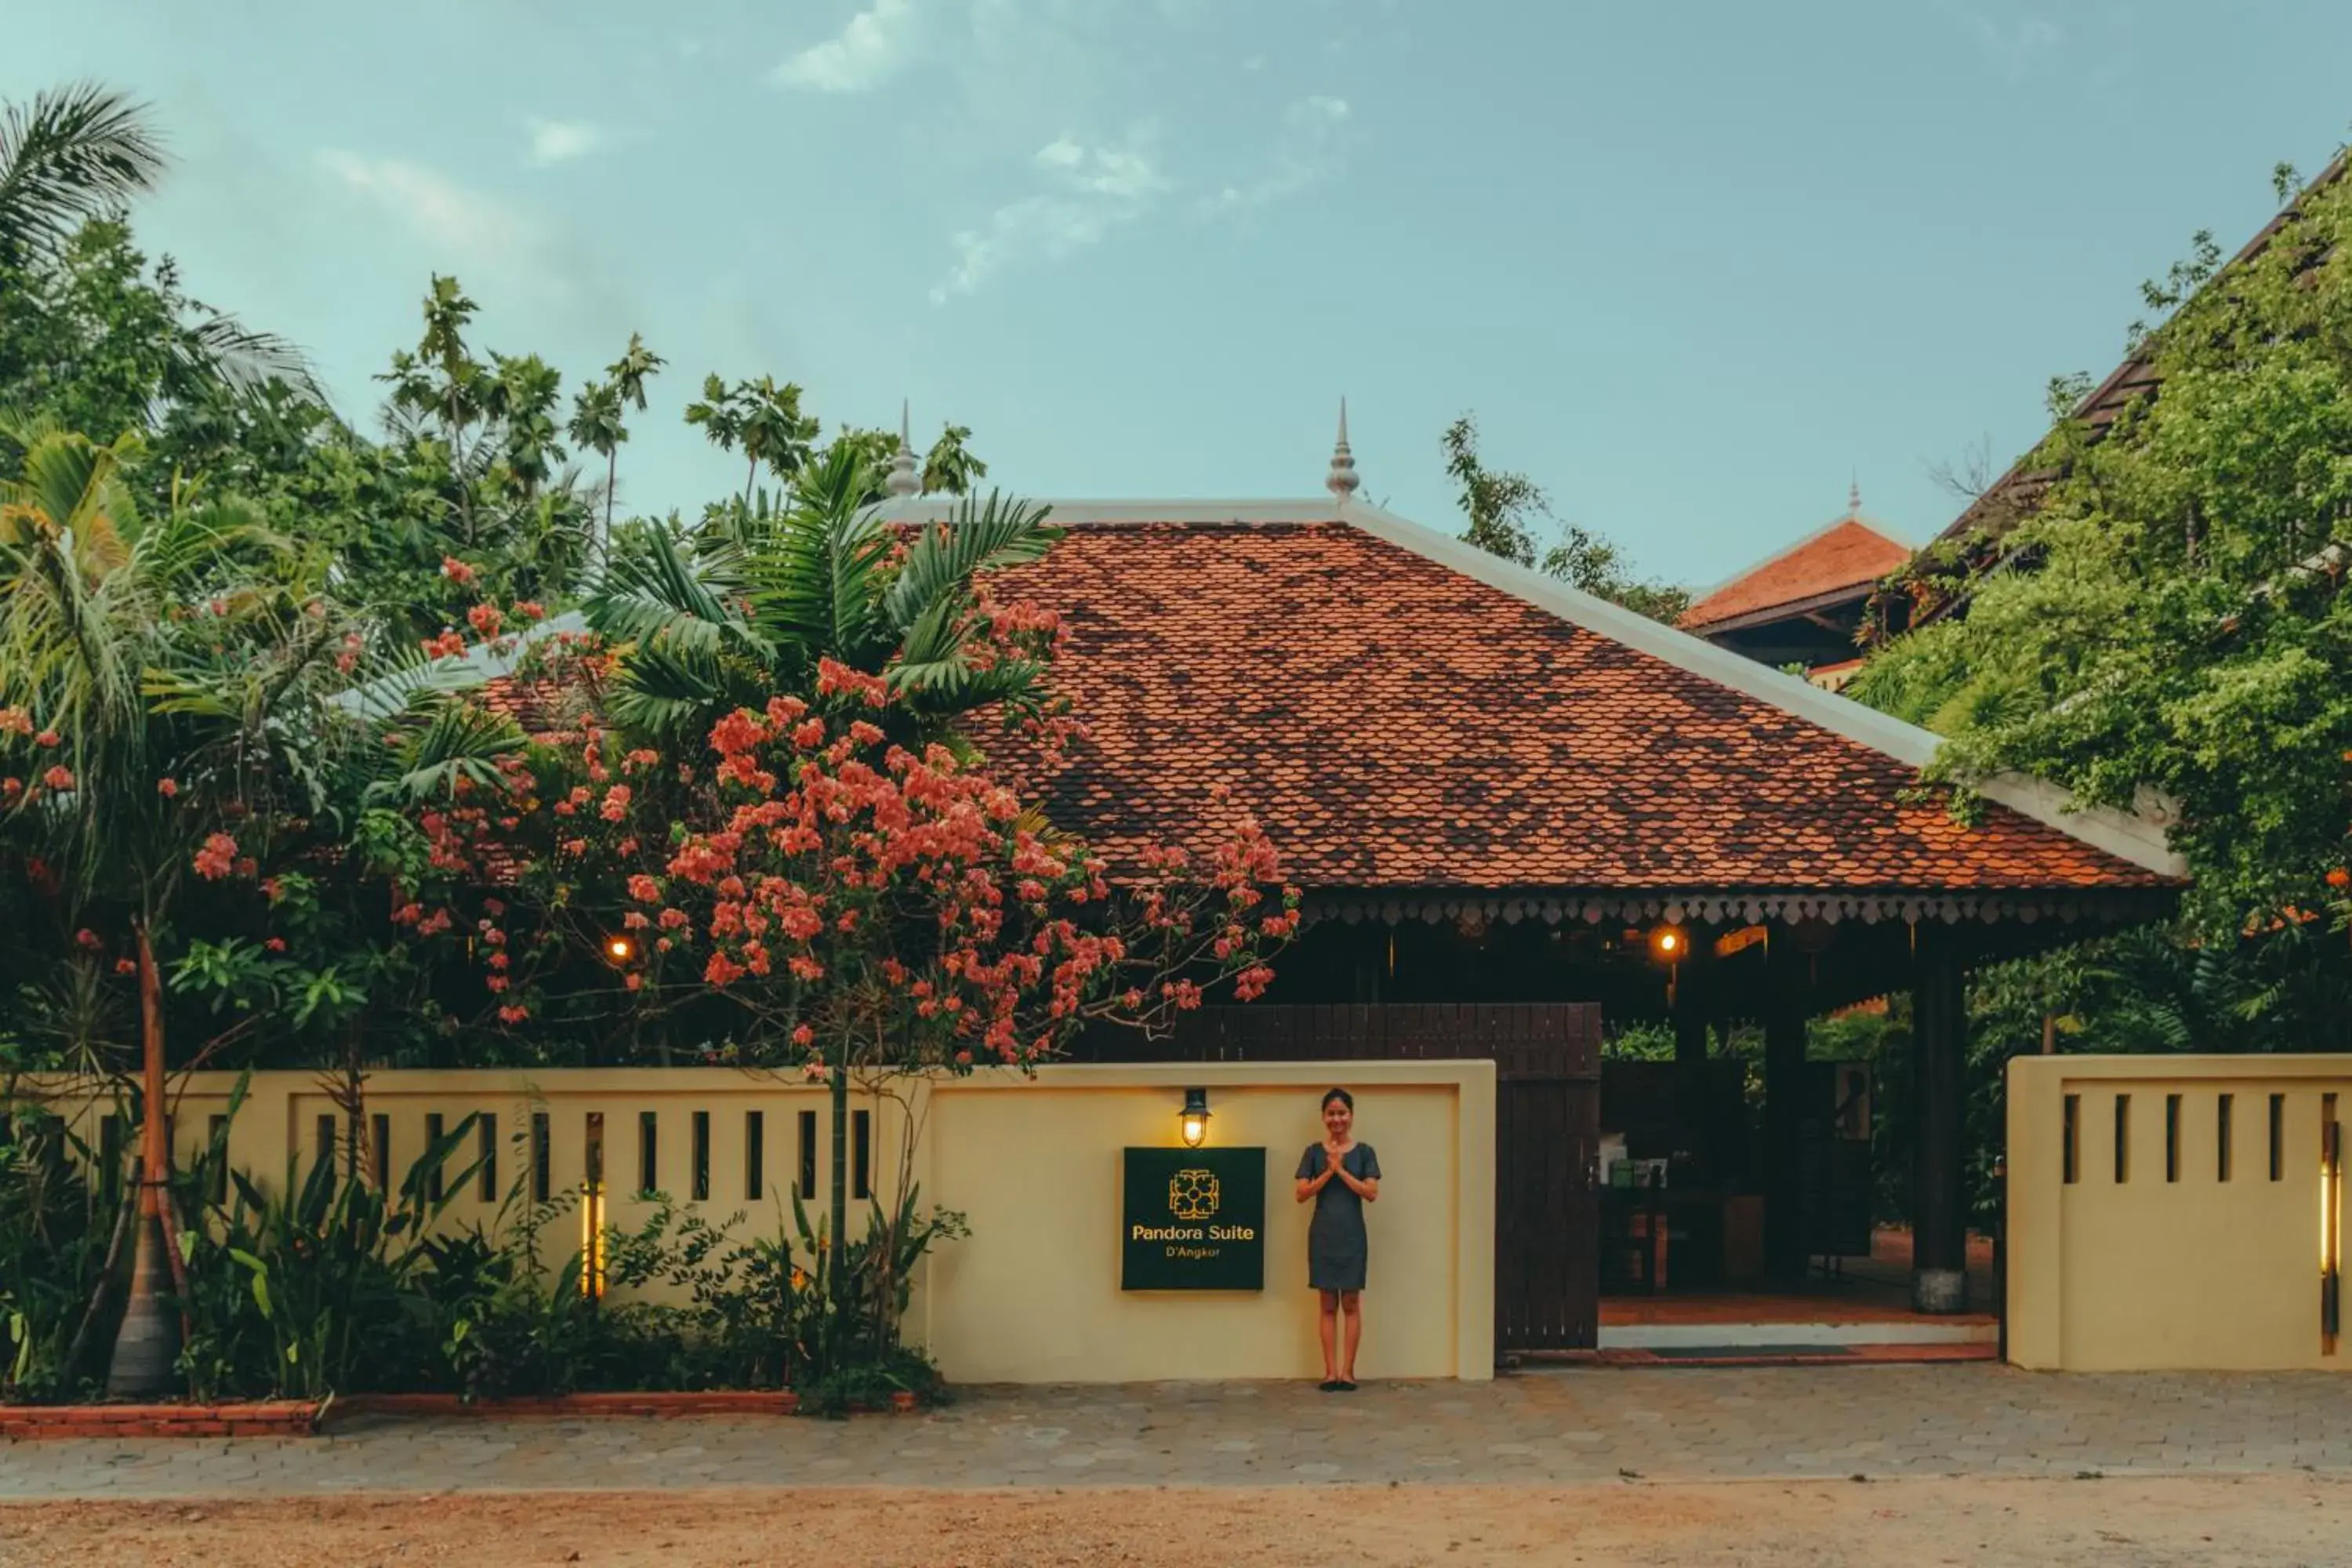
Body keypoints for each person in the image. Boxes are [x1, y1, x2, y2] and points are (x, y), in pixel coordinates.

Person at [1294, 1086, 1381, 1392]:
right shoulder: (1313, 1153)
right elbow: (1301, 1194)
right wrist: (1327, 1173)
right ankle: (1330, 1372)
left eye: (1342, 1113)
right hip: (1323, 1235)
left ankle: (1349, 1372)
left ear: (1351, 1116)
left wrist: (1341, 1171)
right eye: (1331, 1113)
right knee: (1327, 1303)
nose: (1337, 1119)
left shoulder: (1365, 1152)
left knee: (1352, 1302)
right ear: (1323, 1117)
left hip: (1352, 1235)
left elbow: (1371, 1193)